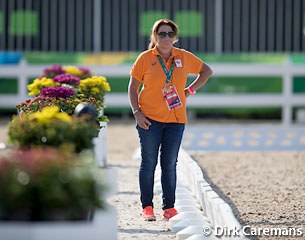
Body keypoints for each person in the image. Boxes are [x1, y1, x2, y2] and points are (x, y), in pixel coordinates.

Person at [128, 19, 213, 221]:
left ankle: (169, 208)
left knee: (169, 164)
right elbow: (132, 88)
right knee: (149, 163)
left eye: (170, 34)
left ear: (175, 37)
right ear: (155, 37)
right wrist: (137, 112)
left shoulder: (183, 56)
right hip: (149, 119)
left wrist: (190, 90)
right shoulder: (145, 58)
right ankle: (147, 207)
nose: (166, 37)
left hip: (176, 120)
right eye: (162, 34)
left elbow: (206, 71)